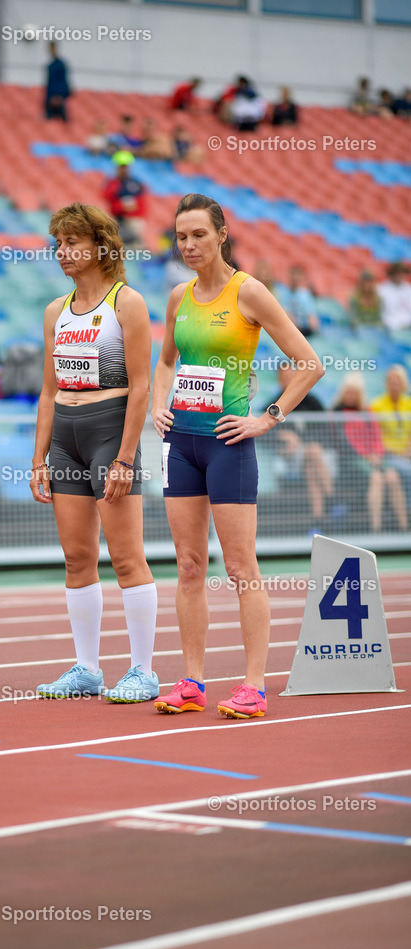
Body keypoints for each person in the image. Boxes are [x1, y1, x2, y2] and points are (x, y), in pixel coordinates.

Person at [151, 193, 324, 720]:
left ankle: (253, 686)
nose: (188, 245)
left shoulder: (249, 292)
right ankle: (192, 682)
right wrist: (158, 404)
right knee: (188, 566)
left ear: (222, 235)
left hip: (229, 445)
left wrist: (267, 417)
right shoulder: (178, 296)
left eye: (199, 235)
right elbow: (165, 362)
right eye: (181, 237)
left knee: (241, 567)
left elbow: (309, 363)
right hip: (181, 444)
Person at [30, 202, 158, 704]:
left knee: (126, 557)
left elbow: (142, 385)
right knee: (77, 557)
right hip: (66, 437)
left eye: (72, 243)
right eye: (58, 243)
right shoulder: (54, 312)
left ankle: (143, 671)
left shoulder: (127, 303)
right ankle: (86, 669)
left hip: (110, 431)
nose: (62, 252)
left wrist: (125, 458)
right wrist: (38, 459)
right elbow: (47, 391)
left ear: (101, 247)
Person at [332, 373, 407, 533]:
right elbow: (347, 441)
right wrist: (366, 456)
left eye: (355, 392)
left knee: (392, 476)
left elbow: (376, 436)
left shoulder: (367, 411)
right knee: (376, 477)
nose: (351, 396)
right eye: (349, 391)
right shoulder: (337, 413)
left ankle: (404, 525)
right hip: (352, 458)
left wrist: (377, 454)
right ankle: (376, 527)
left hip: (374, 456)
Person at [267, 361, 334, 532]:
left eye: (290, 375)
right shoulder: (273, 404)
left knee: (312, 464)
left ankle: (318, 520)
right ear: (278, 379)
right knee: (313, 453)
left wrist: (300, 440)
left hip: (317, 456)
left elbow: (324, 432)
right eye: (283, 376)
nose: (287, 379)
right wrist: (282, 437)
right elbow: (264, 431)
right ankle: (332, 498)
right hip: (290, 459)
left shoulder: (312, 402)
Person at [370, 365, 411, 498]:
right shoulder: (377, 405)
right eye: (391, 382)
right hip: (388, 454)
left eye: (397, 382)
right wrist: (396, 452)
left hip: (406, 453)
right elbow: (374, 435)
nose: (394, 385)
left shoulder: (408, 403)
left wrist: (408, 450)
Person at [103, 152, 147, 247]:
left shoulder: (135, 183)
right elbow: (107, 197)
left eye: (125, 167)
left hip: (132, 220)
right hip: (118, 220)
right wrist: (121, 206)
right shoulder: (113, 183)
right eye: (121, 167)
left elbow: (139, 204)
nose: (123, 169)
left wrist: (124, 207)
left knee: (133, 244)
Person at [274, 265, 320, 337]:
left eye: (297, 274)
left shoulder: (305, 294)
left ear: (302, 277)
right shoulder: (283, 293)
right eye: (293, 274)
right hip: (289, 329)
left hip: (304, 330)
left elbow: (312, 316)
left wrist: (313, 331)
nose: (294, 277)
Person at [377, 262, 411, 332]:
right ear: (392, 274)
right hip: (391, 326)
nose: (400, 275)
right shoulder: (382, 290)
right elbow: (380, 312)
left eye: (402, 273)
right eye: (397, 273)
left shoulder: (408, 288)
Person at [45, 42, 71, 121]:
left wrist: (59, 96)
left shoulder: (60, 65)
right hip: (50, 98)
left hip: (59, 97)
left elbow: (63, 81)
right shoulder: (50, 66)